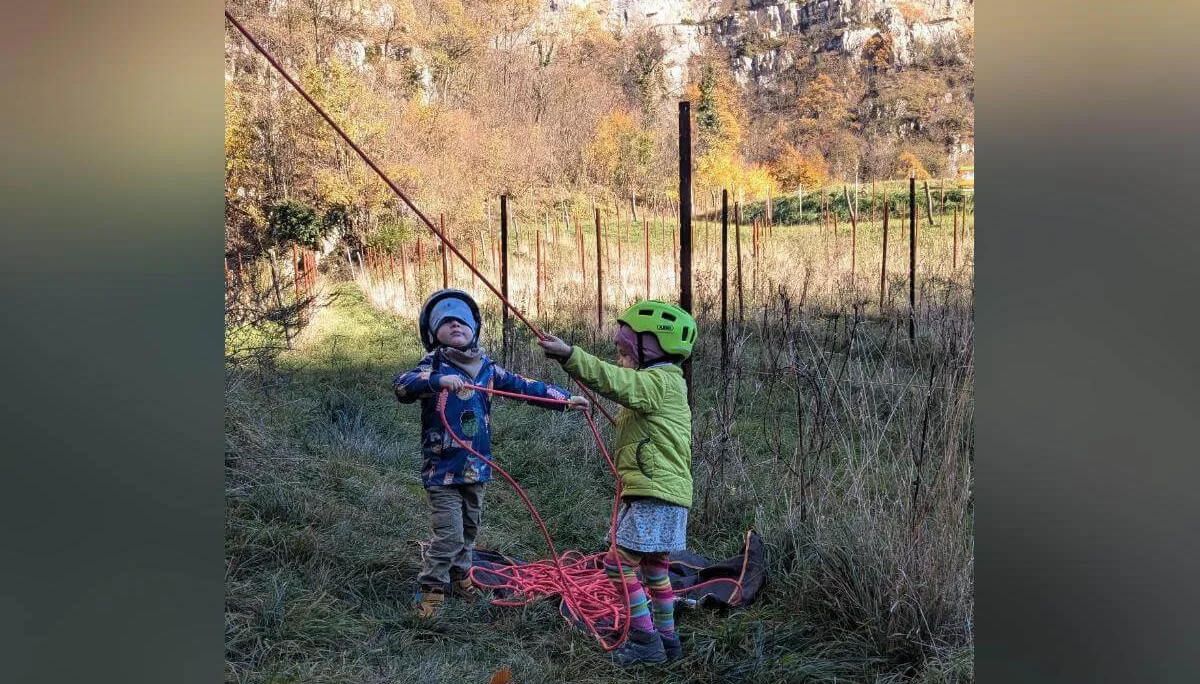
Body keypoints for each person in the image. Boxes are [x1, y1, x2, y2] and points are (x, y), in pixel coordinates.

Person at [394, 289, 589, 617]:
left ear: (474, 329)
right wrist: (438, 381)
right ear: (433, 333)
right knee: (449, 534)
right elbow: (403, 386)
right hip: (442, 470)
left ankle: (460, 577)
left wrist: (564, 400)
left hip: (477, 468)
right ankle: (431, 588)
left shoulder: (487, 369)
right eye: (446, 322)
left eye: (462, 321)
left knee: (469, 530)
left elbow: (525, 386)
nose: (455, 325)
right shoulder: (433, 365)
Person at [537, 299, 697, 664]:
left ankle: (644, 641)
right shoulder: (667, 384)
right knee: (655, 569)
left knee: (617, 564)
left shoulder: (659, 381)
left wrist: (570, 356)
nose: (620, 358)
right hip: (666, 494)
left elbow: (617, 382)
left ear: (651, 347)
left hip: (655, 494)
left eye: (625, 352)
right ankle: (668, 640)